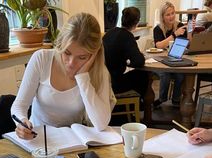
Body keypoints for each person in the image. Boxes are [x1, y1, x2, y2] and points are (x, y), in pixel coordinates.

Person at [11, 12, 115, 140]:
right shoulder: (42, 58)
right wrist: (21, 122)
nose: (71, 63)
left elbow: (101, 124)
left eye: (82, 57)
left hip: (72, 141)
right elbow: (19, 105)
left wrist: (83, 78)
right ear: (60, 44)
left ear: (94, 55)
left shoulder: (99, 72)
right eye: (67, 52)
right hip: (38, 139)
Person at [153, 1, 193, 108]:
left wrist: (190, 30)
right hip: (160, 60)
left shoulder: (179, 26)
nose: (171, 17)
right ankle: (162, 99)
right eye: (168, 14)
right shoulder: (158, 29)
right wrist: (174, 34)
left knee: (180, 75)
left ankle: (176, 99)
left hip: (176, 58)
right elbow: (159, 45)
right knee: (165, 74)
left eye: (173, 13)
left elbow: (188, 44)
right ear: (162, 16)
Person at [102, 7, 148, 99]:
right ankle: (137, 105)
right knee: (142, 75)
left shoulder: (110, 32)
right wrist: (128, 62)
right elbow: (139, 61)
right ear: (137, 22)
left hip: (103, 80)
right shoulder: (127, 36)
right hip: (114, 84)